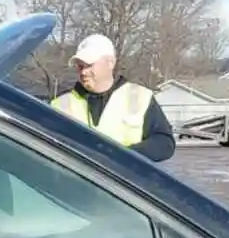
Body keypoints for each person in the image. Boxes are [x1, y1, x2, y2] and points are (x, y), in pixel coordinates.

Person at [50, 34, 176, 162]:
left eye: (89, 65)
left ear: (110, 63)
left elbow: (165, 143)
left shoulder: (139, 97)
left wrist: (124, 156)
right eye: (80, 66)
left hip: (123, 179)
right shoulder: (60, 104)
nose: (83, 72)